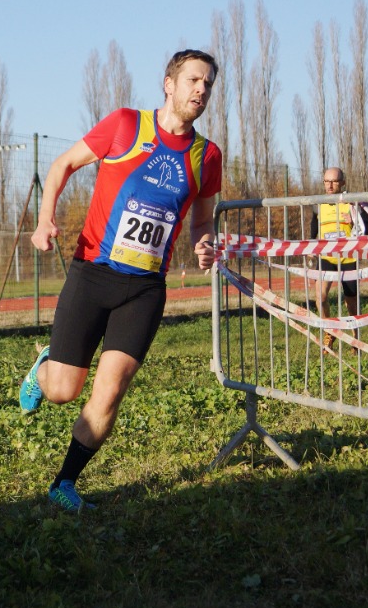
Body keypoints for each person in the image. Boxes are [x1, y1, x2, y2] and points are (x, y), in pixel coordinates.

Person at [19, 49, 223, 513]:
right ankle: (43, 368)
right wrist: (45, 220)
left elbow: (202, 221)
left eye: (209, 84)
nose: (201, 90)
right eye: (194, 80)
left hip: (145, 289)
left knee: (110, 390)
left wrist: (205, 243)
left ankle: (64, 483)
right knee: (63, 391)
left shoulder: (206, 155)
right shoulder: (127, 125)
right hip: (93, 274)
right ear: (169, 84)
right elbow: (62, 166)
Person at [309, 167, 368, 352]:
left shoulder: (352, 204)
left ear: (343, 183)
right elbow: (313, 228)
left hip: (347, 259)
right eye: (326, 181)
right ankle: (329, 332)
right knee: (320, 297)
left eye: (334, 181)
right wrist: (310, 248)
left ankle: (355, 338)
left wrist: (354, 222)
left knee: (351, 303)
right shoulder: (318, 204)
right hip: (326, 258)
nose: (330, 185)